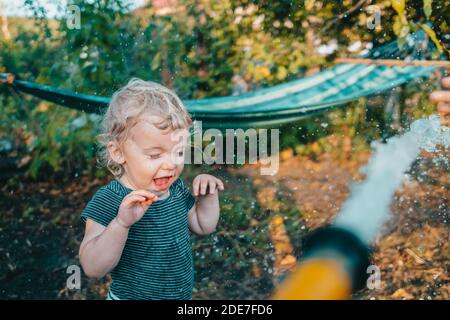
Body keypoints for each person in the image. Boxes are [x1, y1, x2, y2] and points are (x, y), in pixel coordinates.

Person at [78, 78, 224, 300]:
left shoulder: (175, 190)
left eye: (178, 152)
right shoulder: (110, 200)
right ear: (118, 152)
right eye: (155, 155)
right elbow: (92, 267)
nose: (170, 164)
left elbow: (203, 226)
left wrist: (207, 198)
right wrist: (121, 223)